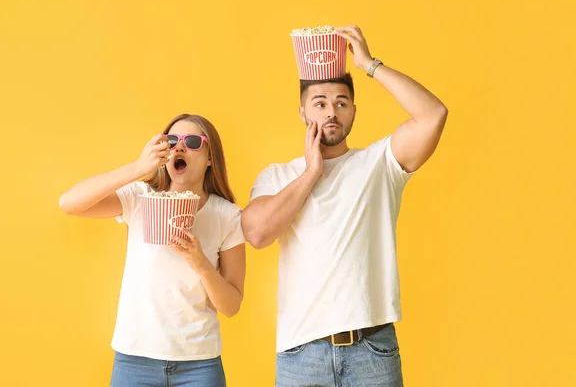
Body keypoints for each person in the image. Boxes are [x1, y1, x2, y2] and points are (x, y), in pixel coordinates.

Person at [241, 25, 448, 386]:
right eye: (319, 103)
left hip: (373, 351)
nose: (331, 112)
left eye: (341, 102)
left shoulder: (379, 163)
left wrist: (369, 65)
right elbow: (257, 233)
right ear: (303, 113)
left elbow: (433, 115)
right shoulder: (278, 176)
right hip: (301, 353)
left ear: (353, 110)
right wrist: (311, 173)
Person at [59, 114, 245, 387]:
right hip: (135, 359)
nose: (179, 148)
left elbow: (231, 306)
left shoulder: (227, 216)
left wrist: (201, 263)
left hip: (199, 363)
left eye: (192, 142)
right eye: (172, 141)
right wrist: (138, 167)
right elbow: (70, 203)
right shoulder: (139, 197)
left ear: (210, 158)